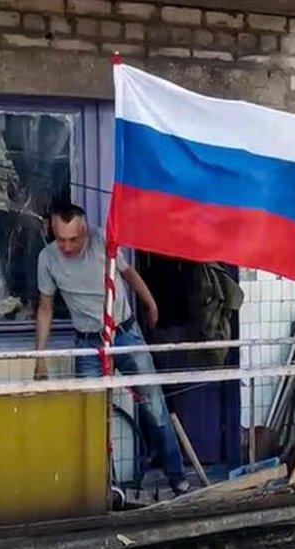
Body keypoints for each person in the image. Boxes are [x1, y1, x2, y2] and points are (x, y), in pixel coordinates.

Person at [33, 203, 189, 495]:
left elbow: (129, 275)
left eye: (73, 239)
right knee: (91, 417)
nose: (67, 246)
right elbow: (45, 309)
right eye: (60, 239)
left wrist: (151, 303)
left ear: (86, 231)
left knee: (154, 406)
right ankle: (100, 487)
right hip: (88, 343)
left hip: (124, 333)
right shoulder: (47, 259)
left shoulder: (104, 239)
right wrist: (40, 357)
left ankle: (177, 477)